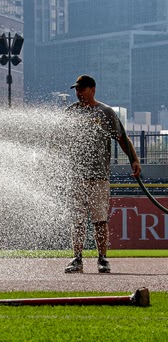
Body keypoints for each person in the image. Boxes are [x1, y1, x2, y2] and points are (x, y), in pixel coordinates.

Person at [64, 75, 141, 274]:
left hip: (99, 176)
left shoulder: (105, 112)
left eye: (82, 89)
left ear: (93, 89)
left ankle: (102, 258)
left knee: (100, 220)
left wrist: (134, 159)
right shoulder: (70, 112)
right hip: (76, 175)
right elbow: (59, 139)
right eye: (76, 89)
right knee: (77, 220)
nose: (79, 93)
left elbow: (122, 138)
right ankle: (77, 258)